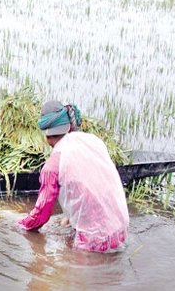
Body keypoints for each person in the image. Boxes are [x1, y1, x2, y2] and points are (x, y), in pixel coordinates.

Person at [18, 100, 129, 253]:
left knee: (74, 273)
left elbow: (41, 214)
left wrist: (20, 225)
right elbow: (90, 185)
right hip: (121, 229)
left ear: (47, 137)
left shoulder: (52, 166)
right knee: (67, 223)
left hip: (93, 241)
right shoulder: (94, 141)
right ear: (69, 126)